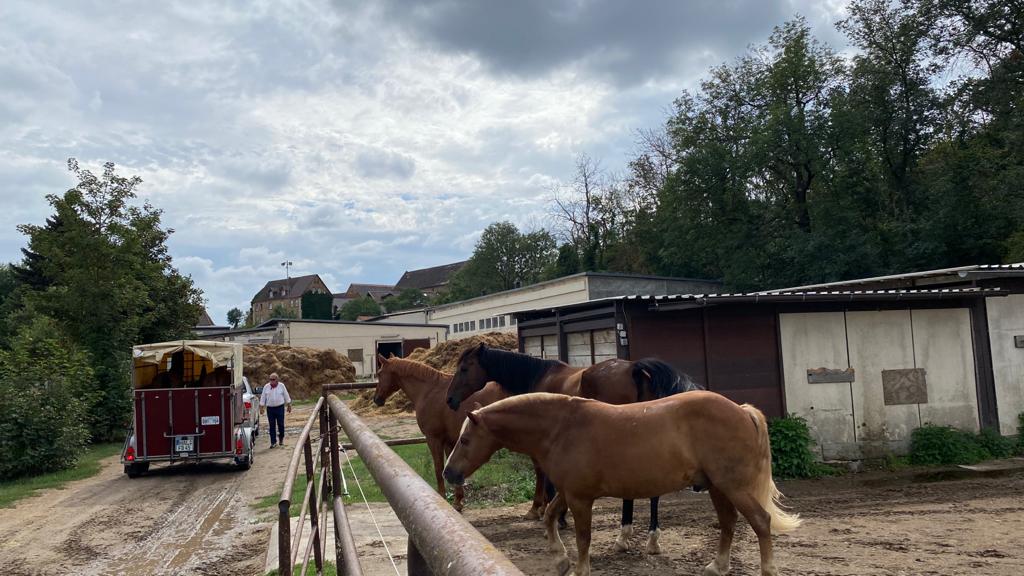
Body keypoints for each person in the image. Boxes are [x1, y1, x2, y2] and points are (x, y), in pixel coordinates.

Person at [259, 372, 292, 448]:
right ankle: (273, 442)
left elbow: (286, 395)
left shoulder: (281, 386)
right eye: (270, 379)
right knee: (272, 425)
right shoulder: (266, 387)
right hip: (270, 409)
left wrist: (289, 405)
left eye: (273, 379)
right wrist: (261, 407)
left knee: (281, 424)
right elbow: (263, 397)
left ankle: (281, 438)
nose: (271, 381)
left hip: (280, 408)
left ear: (277, 380)